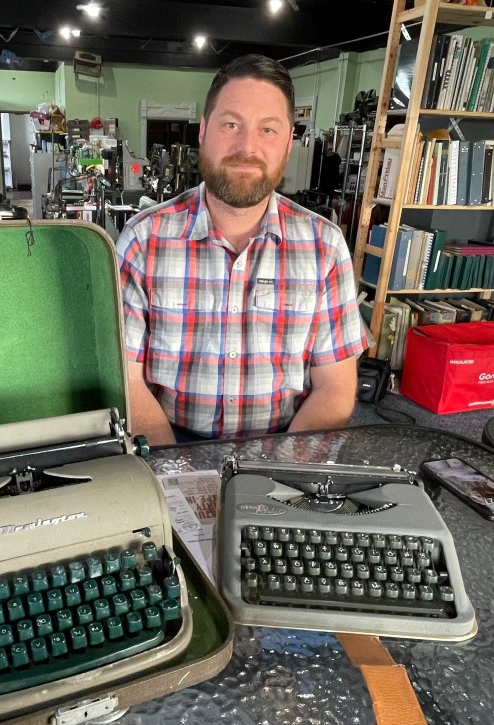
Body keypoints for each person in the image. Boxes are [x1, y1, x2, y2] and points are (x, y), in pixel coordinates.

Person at [117, 54, 367, 444]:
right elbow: (127, 383)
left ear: (288, 142)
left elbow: (335, 386)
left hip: (286, 444)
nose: (247, 146)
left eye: (268, 129)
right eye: (231, 124)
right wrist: (176, 471)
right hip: (171, 443)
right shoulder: (142, 240)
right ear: (203, 131)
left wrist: (278, 469)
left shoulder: (325, 247)